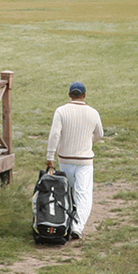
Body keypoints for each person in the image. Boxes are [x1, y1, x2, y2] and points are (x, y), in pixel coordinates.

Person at [45, 82, 104, 242]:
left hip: (65, 158)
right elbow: (100, 133)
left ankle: (65, 221)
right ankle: (77, 226)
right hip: (85, 160)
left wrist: (50, 156)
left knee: (67, 192)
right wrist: (88, 141)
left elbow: (55, 134)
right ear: (84, 95)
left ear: (69, 94)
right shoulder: (93, 112)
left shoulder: (61, 111)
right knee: (84, 195)